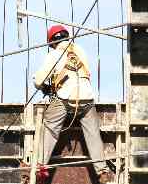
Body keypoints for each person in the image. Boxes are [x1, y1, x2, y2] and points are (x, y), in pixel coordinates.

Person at [29, 25, 114, 183]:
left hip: (65, 99)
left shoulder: (54, 54)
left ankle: (39, 165)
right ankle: (102, 172)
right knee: (93, 134)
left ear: (52, 43)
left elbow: (38, 80)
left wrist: (46, 88)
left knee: (50, 128)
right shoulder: (80, 51)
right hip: (87, 99)